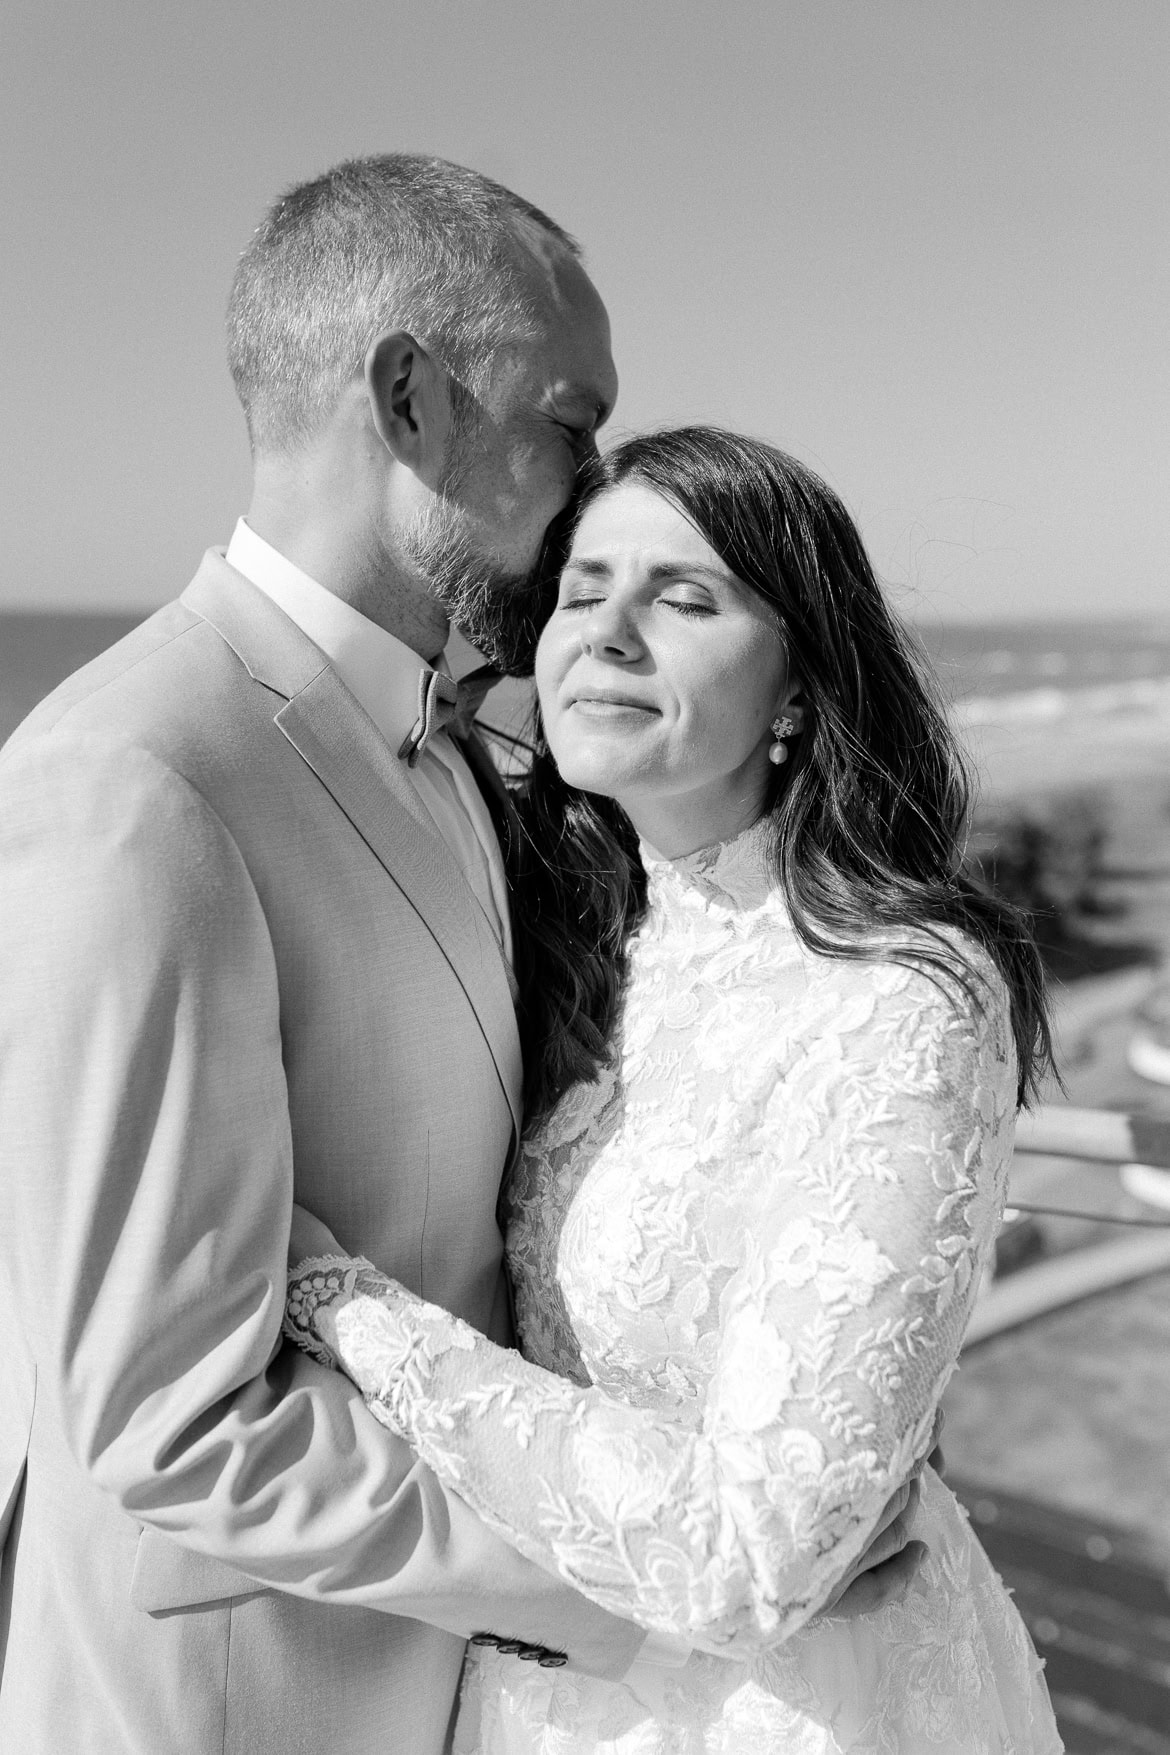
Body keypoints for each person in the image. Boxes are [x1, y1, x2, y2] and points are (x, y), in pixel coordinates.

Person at [0, 160, 915, 1754]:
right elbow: (172, 1422)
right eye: (570, 424)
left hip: (464, 1689)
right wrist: (658, 1586)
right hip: (244, 1700)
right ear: (412, 399)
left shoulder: (459, 756)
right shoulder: (138, 782)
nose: (595, 480)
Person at [284, 428, 1065, 1752]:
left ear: (800, 692)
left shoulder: (898, 1001)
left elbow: (749, 1563)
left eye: (683, 598)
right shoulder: (563, 933)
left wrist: (346, 1309)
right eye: (582, 590)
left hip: (792, 1707)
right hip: (546, 1682)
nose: (609, 634)